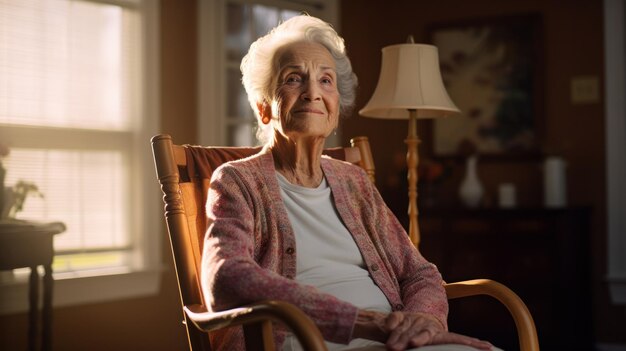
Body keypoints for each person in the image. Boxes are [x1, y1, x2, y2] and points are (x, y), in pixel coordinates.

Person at [201, 15, 495, 351]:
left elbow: (420, 273)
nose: (313, 92)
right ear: (264, 107)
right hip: (294, 340)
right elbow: (226, 277)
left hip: (395, 340)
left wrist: (423, 323)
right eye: (294, 78)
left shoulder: (353, 181)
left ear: (336, 108)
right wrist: (364, 322)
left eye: (326, 81)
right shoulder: (237, 181)